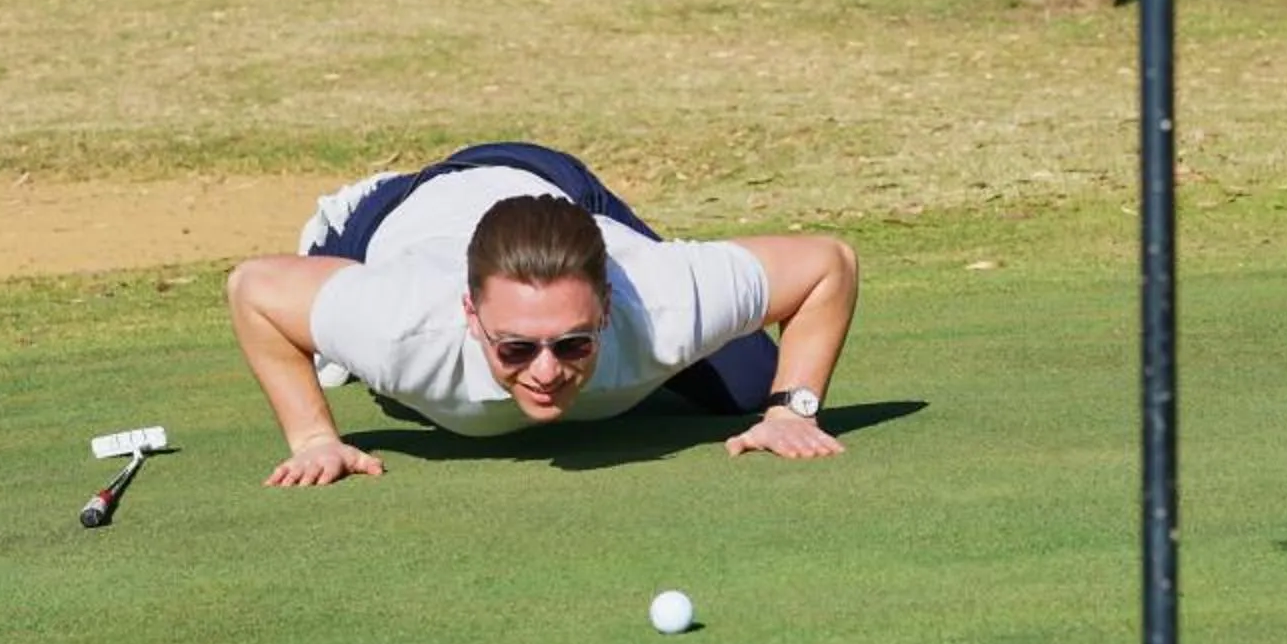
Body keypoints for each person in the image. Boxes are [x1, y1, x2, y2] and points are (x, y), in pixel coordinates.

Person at [226, 141, 861, 488]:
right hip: (400, 211)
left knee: (750, 383)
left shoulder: (665, 302)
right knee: (337, 331)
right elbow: (253, 288)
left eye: (574, 343)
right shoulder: (399, 327)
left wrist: (789, 411)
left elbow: (828, 264)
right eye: (517, 348)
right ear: (471, 315)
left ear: (608, 306)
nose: (547, 371)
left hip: (549, 181)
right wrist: (314, 438)